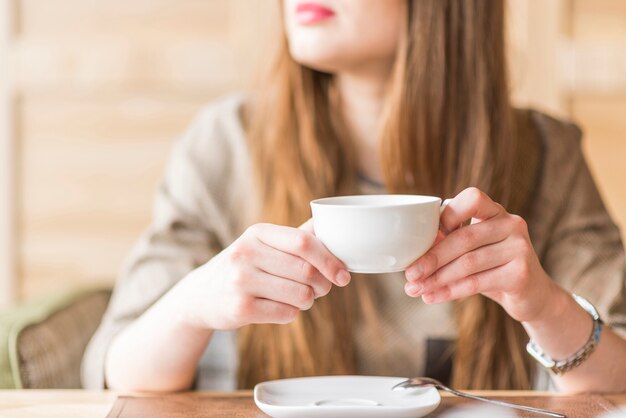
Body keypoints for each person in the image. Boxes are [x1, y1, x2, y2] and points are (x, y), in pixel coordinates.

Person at [82, 0, 626, 392]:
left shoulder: (545, 153)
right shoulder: (226, 143)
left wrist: (545, 306)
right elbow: (112, 371)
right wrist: (191, 307)